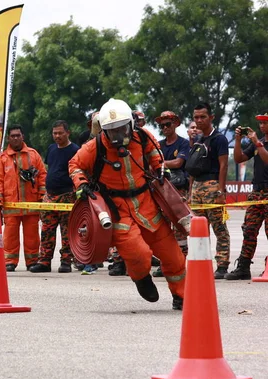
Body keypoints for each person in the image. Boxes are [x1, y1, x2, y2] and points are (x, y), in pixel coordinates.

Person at [69, 98, 186, 310]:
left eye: (121, 129)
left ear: (131, 125)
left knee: (173, 256)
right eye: (112, 131)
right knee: (138, 254)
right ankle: (141, 278)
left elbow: (154, 154)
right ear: (104, 130)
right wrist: (82, 184)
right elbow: (75, 164)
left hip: (147, 205)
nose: (118, 135)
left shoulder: (142, 137)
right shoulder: (94, 147)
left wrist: (161, 169)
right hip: (117, 210)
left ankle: (182, 296)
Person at [0, 124, 47, 272]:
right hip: (11, 206)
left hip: (32, 204)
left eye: (18, 135)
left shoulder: (33, 155)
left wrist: (42, 197)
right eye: (13, 136)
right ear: (9, 138)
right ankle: (9, 261)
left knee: (32, 236)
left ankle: (32, 261)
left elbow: (42, 175)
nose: (16, 138)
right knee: (10, 236)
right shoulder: (3, 158)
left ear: (23, 136)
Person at [187, 102, 230, 279]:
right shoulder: (198, 140)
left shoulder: (219, 139)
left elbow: (224, 165)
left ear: (211, 117)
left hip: (212, 186)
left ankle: (222, 265)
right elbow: (192, 167)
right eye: (196, 117)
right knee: (197, 229)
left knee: (219, 227)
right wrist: (190, 191)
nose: (199, 120)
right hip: (197, 186)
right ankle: (200, 262)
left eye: (202, 117)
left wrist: (220, 191)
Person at [30, 120, 79, 273]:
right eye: (55, 133)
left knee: (66, 231)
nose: (57, 136)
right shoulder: (51, 149)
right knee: (46, 230)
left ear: (67, 133)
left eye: (60, 133)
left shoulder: (75, 150)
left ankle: (66, 261)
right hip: (50, 196)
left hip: (67, 196)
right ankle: (44, 261)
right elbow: (49, 168)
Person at [226, 111, 268, 280]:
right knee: (249, 229)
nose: (262, 126)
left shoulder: (260, 143)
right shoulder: (259, 142)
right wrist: (238, 140)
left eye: (265, 123)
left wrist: (257, 143)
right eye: (261, 123)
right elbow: (238, 158)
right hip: (257, 192)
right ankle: (244, 266)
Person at [152, 111, 190, 277]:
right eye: (162, 125)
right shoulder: (158, 145)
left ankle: (180, 263)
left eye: (168, 124)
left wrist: (160, 164)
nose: (165, 127)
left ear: (175, 124)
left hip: (178, 190)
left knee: (180, 228)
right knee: (164, 229)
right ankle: (165, 264)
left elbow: (178, 162)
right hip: (162, 191)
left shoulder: (183, 144)